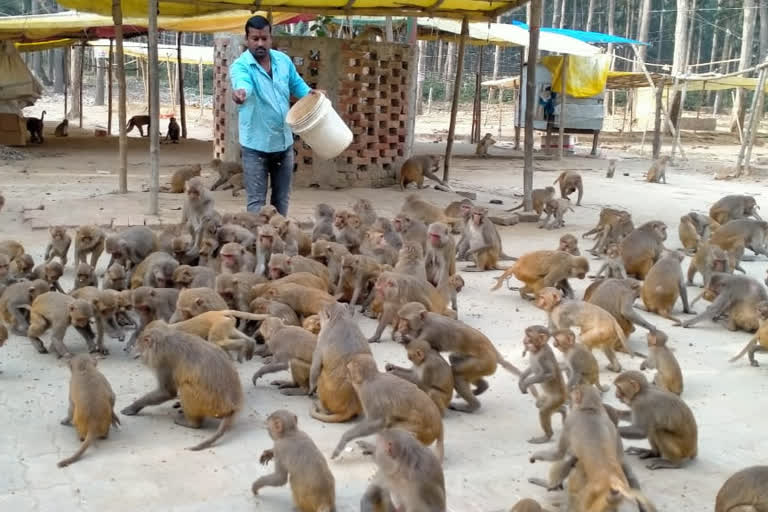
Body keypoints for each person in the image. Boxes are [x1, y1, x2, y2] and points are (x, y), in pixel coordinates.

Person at [230, 15, 318, 215]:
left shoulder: (283, 61)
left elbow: (296, 84)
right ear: (247, 39)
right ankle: (257, 245)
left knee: (281, 202)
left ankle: (278, 244)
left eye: (264, 38)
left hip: (283, 143)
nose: (260, 43)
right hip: (255, 147)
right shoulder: (241, 66)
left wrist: (311, 95)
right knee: (256, 205)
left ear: (270, 38)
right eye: (255, 39)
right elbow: (243, 84)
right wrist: (241, 93)